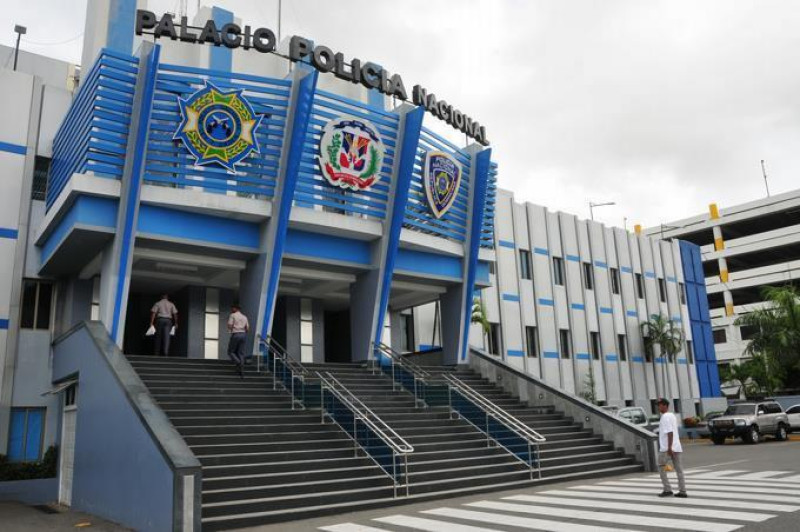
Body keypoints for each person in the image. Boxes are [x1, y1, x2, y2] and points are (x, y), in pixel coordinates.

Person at [657, 398, 687, 498]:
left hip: (666, 448)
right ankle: (682, 491)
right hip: (677, 447)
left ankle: (667, 489)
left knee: (661, 467)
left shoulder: (665, 417)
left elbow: (670, 432)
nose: (659, 407)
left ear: (665, 405)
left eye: (660, 405)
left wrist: (669, 447)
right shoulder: (672, 416)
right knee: (679, 469)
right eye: (658, 405)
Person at [227, 303, 250, 377]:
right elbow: (247, 328)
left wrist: (230, 331)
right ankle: (241, 370)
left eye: (232, 308)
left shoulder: (232, 315)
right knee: (241, 353)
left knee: (231, 351)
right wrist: (243, 333)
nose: (231, 309)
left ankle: (238, 363)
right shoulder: (244, 317)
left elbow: (230, 325)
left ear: (236, 308)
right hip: (243, 335)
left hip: (236, 334)